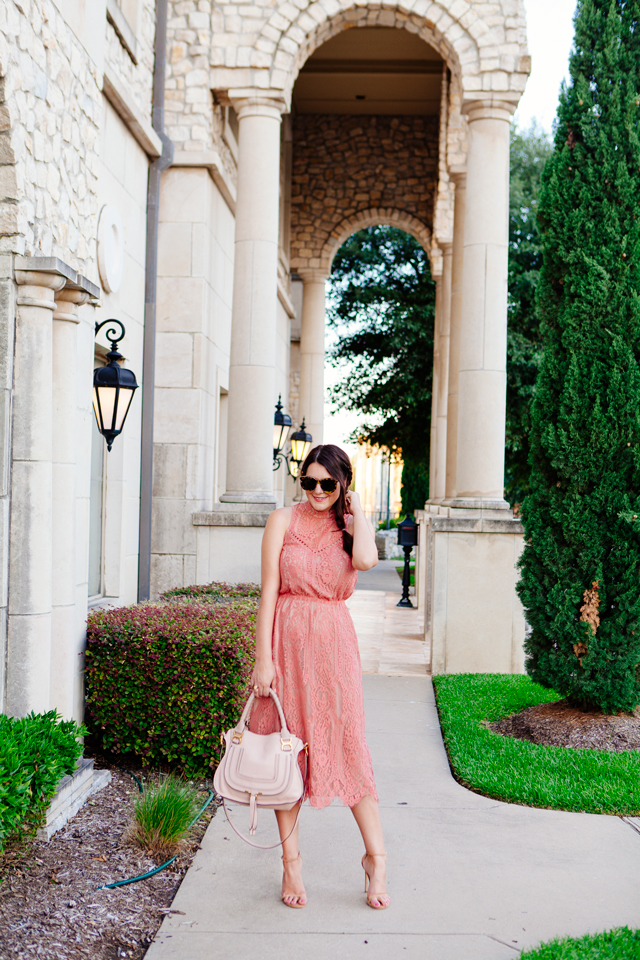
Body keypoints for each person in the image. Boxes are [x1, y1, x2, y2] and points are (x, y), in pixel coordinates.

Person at [249, 443, 390, 910]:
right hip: (285, 645)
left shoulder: (349, 527)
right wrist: (262, 659)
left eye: (327, 484)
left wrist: (357, 512)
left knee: (348, 745)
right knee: (284, 756)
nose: (316, 491)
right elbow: (269, 592)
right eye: (308, 482)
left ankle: (376, 858)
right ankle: (291, 863)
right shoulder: (281, 522)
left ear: (342, 484)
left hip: (333, 648)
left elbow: (366, 562)